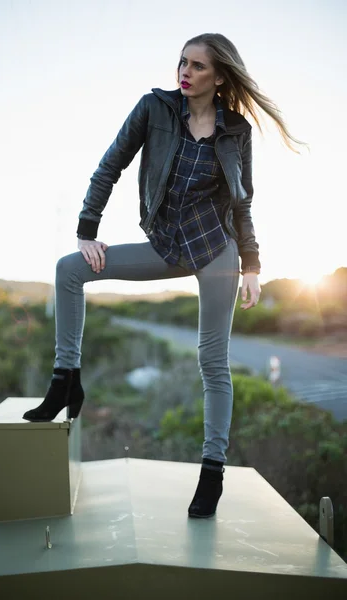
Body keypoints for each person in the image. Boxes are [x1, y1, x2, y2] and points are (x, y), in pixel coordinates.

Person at [23, 33, 305, 518]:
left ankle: (211, 471)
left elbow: (242, 203)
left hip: (216, 249)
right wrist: (87, 230)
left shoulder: (235, 131)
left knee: (211, 362)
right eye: (182, 62)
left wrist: (252, 265)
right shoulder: (153, 110)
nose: (185, 71)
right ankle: (66, 379)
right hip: (165, 243)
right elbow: (109, 164)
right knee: (69, 270)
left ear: (218, 77)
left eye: (197, 66)